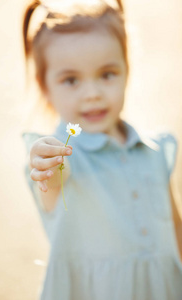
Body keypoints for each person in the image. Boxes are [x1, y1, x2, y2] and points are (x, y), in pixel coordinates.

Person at [21, 0, 182, 299]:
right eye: (71, 80)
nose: (92, 94)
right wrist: (46, 164)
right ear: (45, 87)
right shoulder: (62, 156)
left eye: (107, 74)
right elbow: (54, 180)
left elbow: (175, 228)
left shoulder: (155, 152)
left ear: (127, 70)